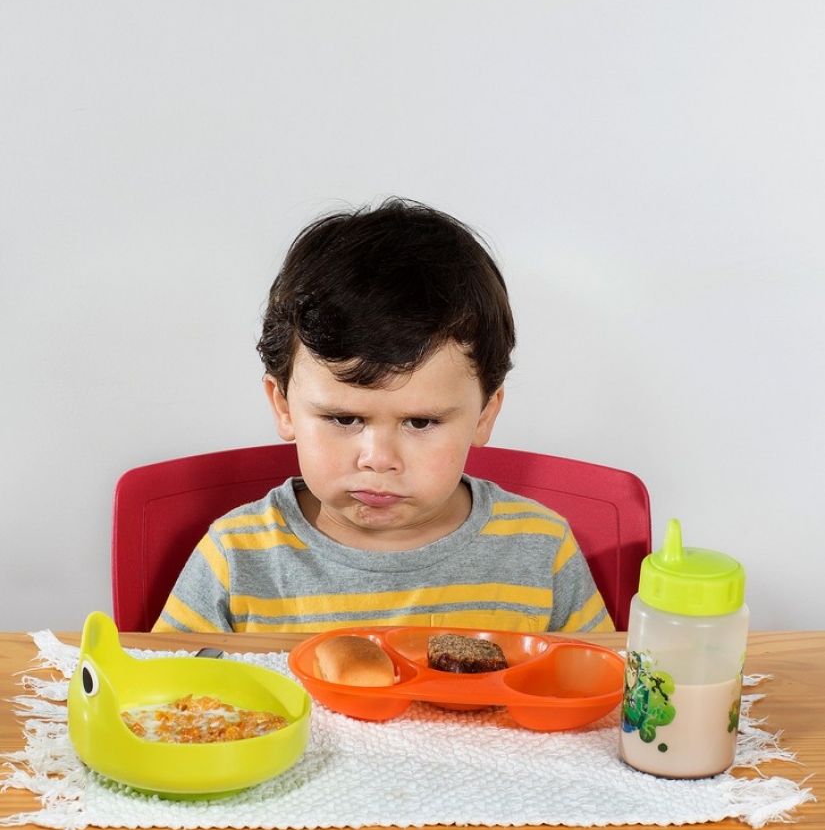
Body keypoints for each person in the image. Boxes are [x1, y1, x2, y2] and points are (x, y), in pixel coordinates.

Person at [153, 198, 614, 634]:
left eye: (420, 423)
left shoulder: (540, 550)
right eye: (343, 419)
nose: (378, 460)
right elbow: (163, 702)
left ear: (484, 416)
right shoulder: (236, 557)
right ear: (284, 406)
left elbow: (609, 703)